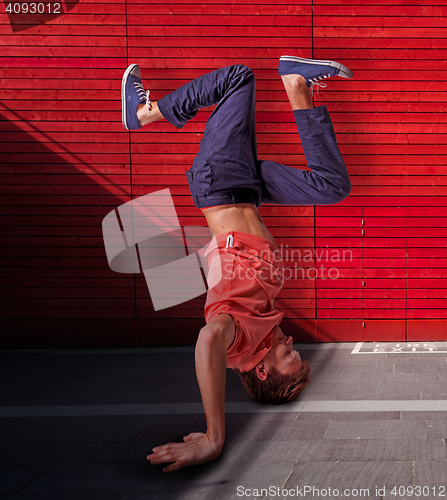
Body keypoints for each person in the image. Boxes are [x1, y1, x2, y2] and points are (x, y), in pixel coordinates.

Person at [121, 55, 353, 472]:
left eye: (288, 358)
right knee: (332, 187)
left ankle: (143, 113)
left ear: (262, 372)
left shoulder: (237, 342)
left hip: (221, 182)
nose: (291, 346)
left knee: (237, 78)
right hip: (248, 189)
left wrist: (214, 437)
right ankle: (298, 87)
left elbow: (207, 340)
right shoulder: (262, 321)